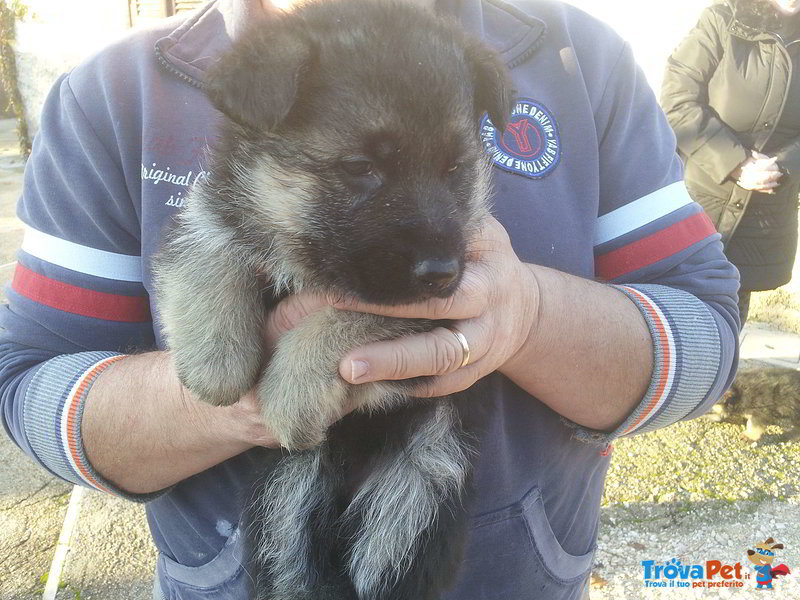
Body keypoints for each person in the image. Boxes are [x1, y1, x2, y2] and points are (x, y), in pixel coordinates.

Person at [0, 0, 739, 598]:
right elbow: (28, 386)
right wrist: (226, 400)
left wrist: (529, 317)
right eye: (359, 170)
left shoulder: (580, 60)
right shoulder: (114, 93)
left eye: (454, 169)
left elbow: (708, 335)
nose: (430, 238)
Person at [661, 0, 800, 324]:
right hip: (699, 203)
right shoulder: (722, 19)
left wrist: (783, 165)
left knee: (728, 326)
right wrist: (735, 162)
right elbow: (677, 101)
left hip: (764, 214)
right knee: (671, 323)